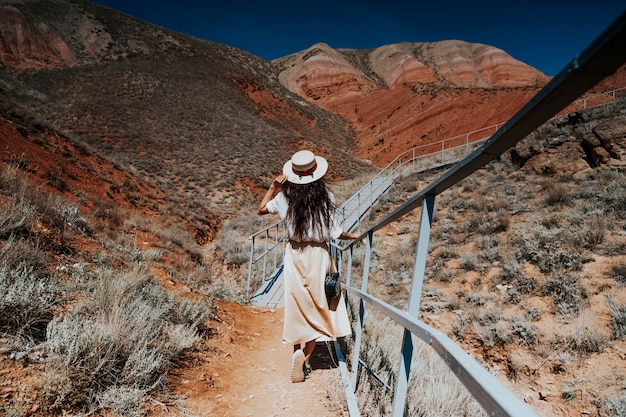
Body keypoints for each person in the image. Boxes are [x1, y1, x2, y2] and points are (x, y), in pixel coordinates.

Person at [258, 149, 359, 383]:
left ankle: (296, 349)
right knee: (317, 305)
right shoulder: (327, 200)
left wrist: (274, 187)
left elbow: (261, 209)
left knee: (296, 304)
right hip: (319, 256)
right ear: (317, 175)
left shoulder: (284, 198)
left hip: (294, 254)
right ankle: (304, 360)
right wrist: (353, 235)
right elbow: (335, 234)